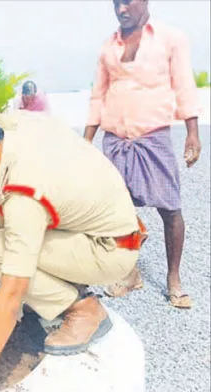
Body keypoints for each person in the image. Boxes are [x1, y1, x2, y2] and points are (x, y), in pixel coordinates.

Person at [0, 110, 143, 392]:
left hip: (111, 249)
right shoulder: (16, 126)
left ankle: (82, 309)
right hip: (108, 222)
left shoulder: (24, 193)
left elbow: (10, 295)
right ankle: (53, 291)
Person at [84, 0, 201, 308]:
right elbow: (98, 96)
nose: (121, 9)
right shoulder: (107, 48)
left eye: (128, 2)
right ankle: (130, 272)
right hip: (116, 140)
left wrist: (193, 133)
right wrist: (87, 142)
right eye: (116, 3)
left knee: (170, 208)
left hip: (154, 138)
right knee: (117, 209)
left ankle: (173, 279)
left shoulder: (170, 39)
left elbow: (184, 86)